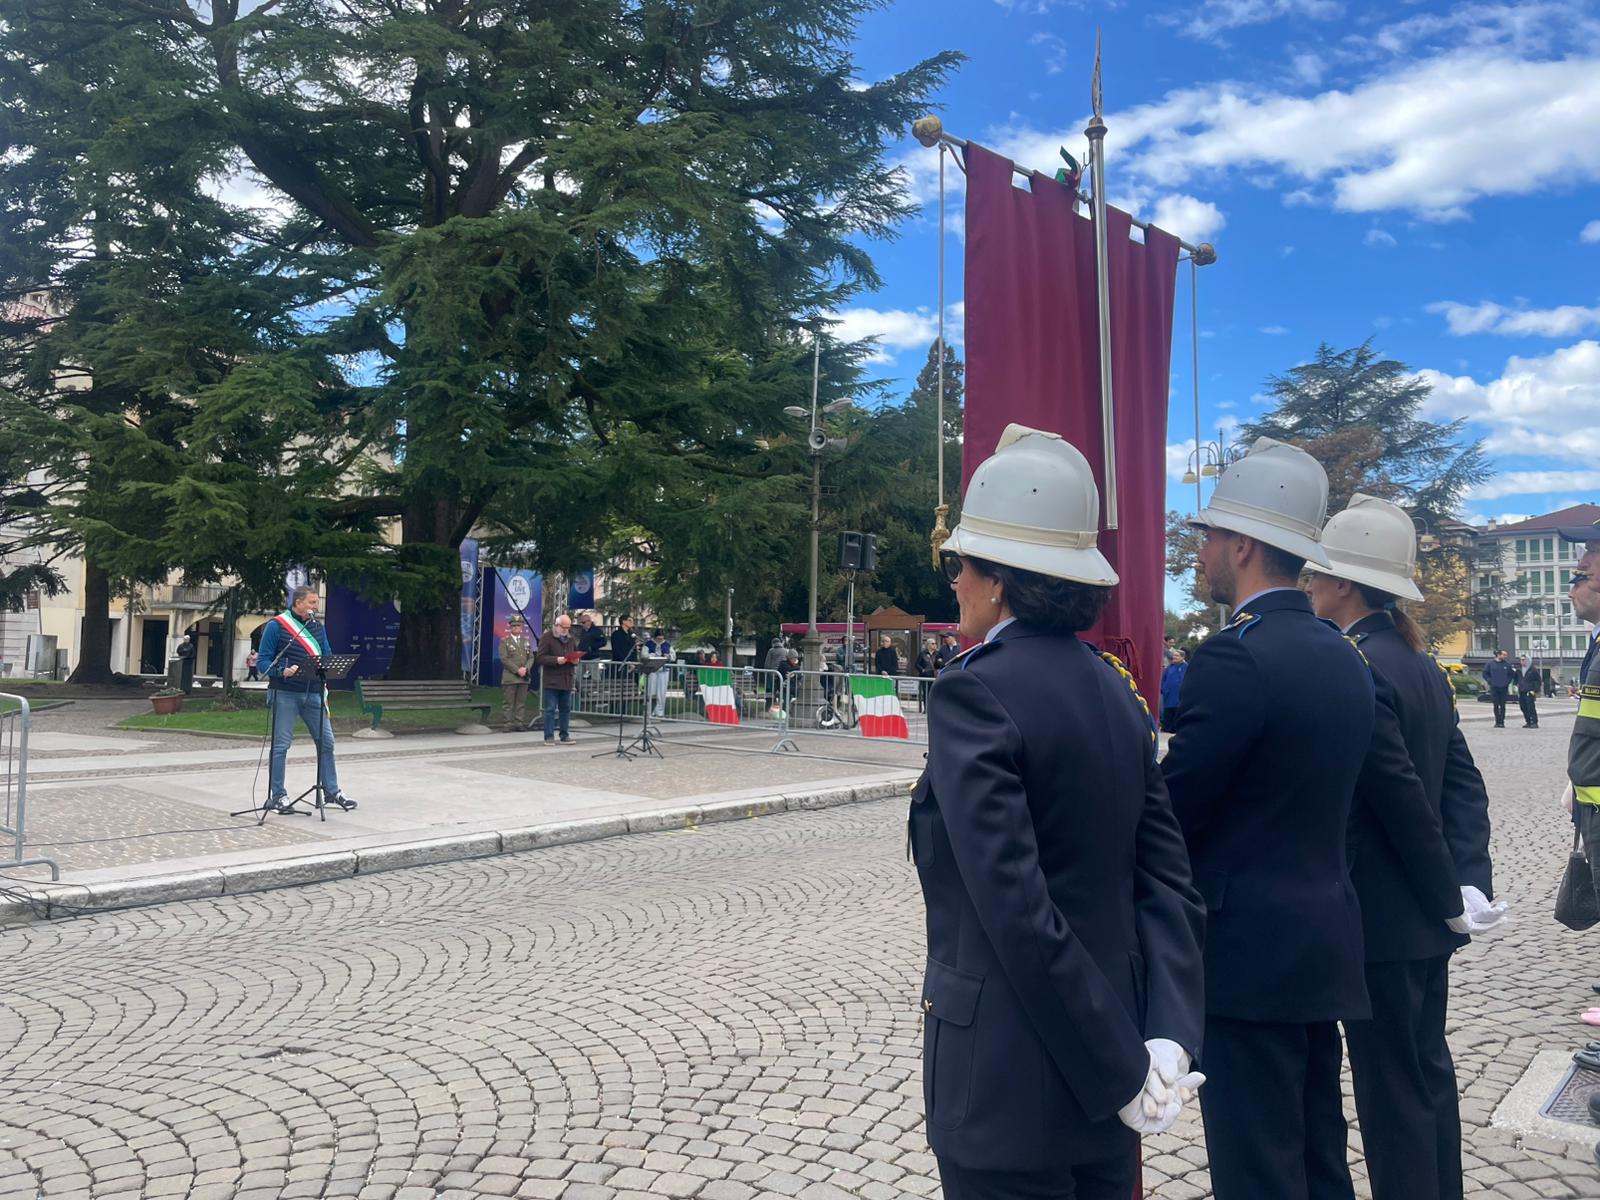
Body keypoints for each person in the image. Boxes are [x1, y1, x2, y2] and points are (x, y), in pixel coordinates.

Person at [910, 424, 1205, 1200]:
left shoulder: (974, 690)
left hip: (1007, 1086)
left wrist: (1122, 1065)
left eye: (962, 563)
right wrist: (1167, 1036)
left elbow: (1016, 910)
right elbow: (1168, 880)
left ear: (999, 581)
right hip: (1111, 1075)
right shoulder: (1115, 686)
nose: (955, 581)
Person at [1161, 437, 1389, 1200]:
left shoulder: (1235, 657)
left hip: (1245, 956)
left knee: (1257, 1164)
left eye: (1210, 536)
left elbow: (1177, 808)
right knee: (1319, 1155)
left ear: (1244, 546)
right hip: (1320, 942)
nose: (1201, 554)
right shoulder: (1342, 653)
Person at [1304, 494, 1504, 1200]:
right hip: (1422, 917)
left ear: (1345, 583)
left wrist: (1448, 891)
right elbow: (1462, 784)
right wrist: (1466, 880)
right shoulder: (1416, 662)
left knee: (1392, 1093)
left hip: (1382, 919)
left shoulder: (1358, 664)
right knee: (1426, 1077)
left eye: (1318, 574)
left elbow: (1401, 801)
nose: (1309, 584)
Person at [257, 585, 355, 814]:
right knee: (281, 745)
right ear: (298, 602)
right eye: (312, 602)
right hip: (285, 693)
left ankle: (331, 791)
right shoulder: (276, 626)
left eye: (316, 602)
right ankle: (278, 796)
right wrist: (282, 670)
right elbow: (263, 662)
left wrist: (328, 666)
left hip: (313, 693)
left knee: (327, 742)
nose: (315, 606)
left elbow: (327, 655)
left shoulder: (317, 627)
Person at [535, 614, 580, 744]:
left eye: (568, 627)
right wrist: (556, 660)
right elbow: (540, 657)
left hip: (567, 679)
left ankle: (564, 735)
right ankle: (549, 737)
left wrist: (576, 660)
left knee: (565, 709)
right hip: (552, 680)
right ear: (556, 625)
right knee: (550, 709)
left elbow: (575, 653)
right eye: (563, 627)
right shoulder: (547, 637)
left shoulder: (571, 639)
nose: (566, 630)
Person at [498, 613, 535, 727]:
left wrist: (526, 669)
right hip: (510, 677)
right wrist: (517, 670)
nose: (516, 628)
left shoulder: (526, 641)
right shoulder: (505, 641)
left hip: (523, 677)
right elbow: (504, 659)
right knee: (508, 703)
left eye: (518, 625)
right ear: (510, 627)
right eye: (514, 626)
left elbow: (531, 657)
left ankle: (519, 722)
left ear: (521, 627)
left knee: (521, 702)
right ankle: (508, 723)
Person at [1482, 650, 1516, 728]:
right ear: (1499, 655)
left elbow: (1511, 675)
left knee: (1503, 705)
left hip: (1504, 688)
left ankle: (1502, 722)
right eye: (1504, 655)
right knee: (1496, 705)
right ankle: (1497, 721)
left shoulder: (1507, 665)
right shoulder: (1490, 664)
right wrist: (1490, 681)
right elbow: (1485, 673)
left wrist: (1507, 682)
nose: (1505, 657)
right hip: (1494, 687)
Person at [644, 628, 672, 718]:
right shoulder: (648, 644)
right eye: (658, 639)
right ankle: (649, 711)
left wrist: (669, 656)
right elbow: (644, 655)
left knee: (662, 692)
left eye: (661, 638)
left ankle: (659, 711)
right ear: (655, 637)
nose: (660, 640)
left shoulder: (667, 644)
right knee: (650, 691)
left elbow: (673, 656)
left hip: (663, 670)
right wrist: (651, 655)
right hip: (652, 670)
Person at [1158, 648, 1187, 733]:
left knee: (1176, 711)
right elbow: (1163, 678)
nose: (1174, 657)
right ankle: (1166, 727)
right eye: (1174, 655)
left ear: (1182, 657)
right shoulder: (1169, 667)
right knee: (1167, 711)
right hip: (1168, 694)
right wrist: (1162, 688)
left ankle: (1174, 728)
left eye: (1177, 656)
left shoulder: (1185, 667)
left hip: (1179, 695)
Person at [1518, 655, 1540, 728]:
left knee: (1530, 707)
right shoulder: (1519, 670)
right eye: (1521, 660)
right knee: (1523, 706)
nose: (1522, 662)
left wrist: (1534, 690)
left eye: (1524, 660)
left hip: (1529, 691)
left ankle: (1534, 722)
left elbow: (1538, 680)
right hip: (1522, 691)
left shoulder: (1533, 669)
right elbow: (1516, 678)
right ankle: (1528, 721)